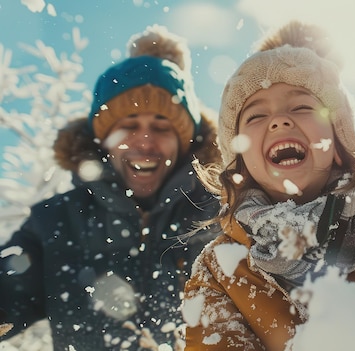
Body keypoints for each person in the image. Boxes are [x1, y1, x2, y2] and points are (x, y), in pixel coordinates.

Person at [181, 21, 355, 351]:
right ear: (240, 160)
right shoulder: (220, 270)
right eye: (255, 116)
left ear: (338, 146)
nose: (280, 120)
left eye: (302, 107)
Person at [0, 25, 221, 350]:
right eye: (129, 125)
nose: (145, 141)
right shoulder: (57, 220)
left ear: (184, 140)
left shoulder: (222, 216)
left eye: (161, 126)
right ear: (102, 140)